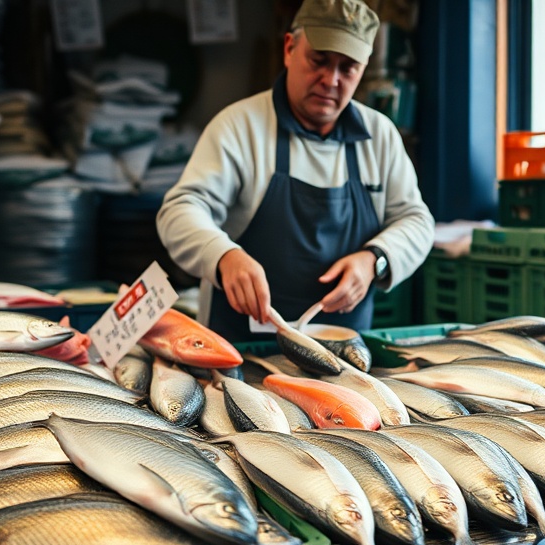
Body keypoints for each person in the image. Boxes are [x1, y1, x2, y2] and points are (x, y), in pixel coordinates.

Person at [156, 0, 434, 342]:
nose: (330, 80)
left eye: (347, 68)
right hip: (239, 349)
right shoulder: (239, 126)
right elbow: (179, 211)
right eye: (319, 60)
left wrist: (374, 259)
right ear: (289, 48)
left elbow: (417, 221)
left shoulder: (380, 136)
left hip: (340, 353)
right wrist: (224, 255)